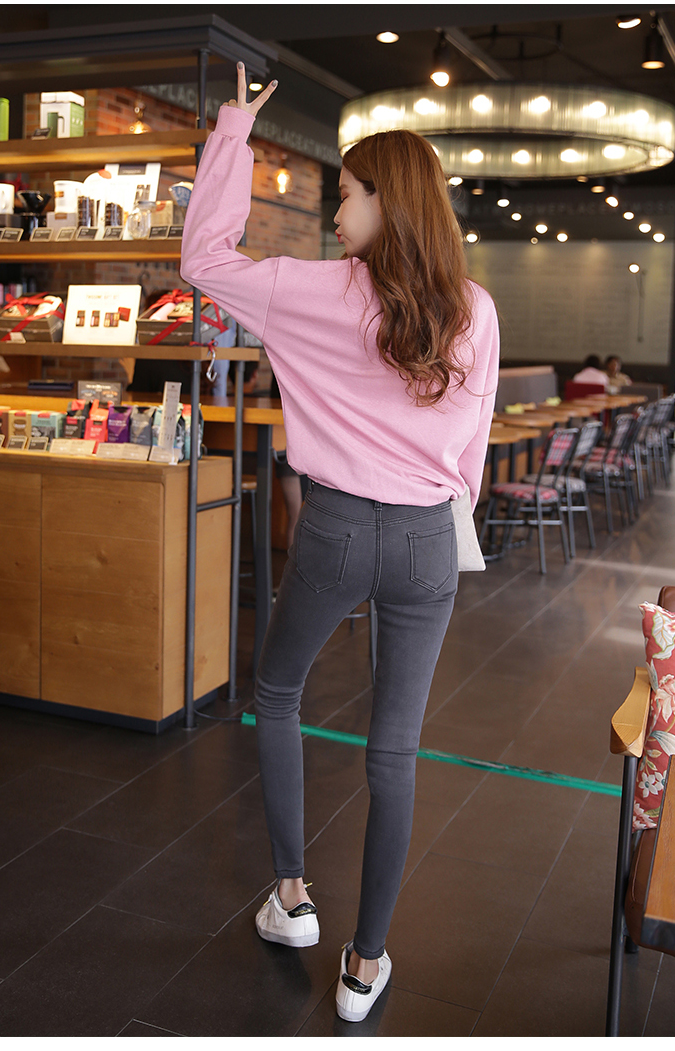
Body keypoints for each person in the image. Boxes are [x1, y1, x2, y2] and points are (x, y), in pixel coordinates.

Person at [180, 64, 500, 1023]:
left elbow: (204, 256)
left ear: (386, 203)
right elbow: (474, 445)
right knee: (395, 750)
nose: (335, 211)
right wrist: (446, 509)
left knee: (278, 692)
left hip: (335, 526)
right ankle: (366, 964)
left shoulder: (308, 291)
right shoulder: (474, 308)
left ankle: (291, 898)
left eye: (349, 192)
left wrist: (234, 131)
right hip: (428, 539)